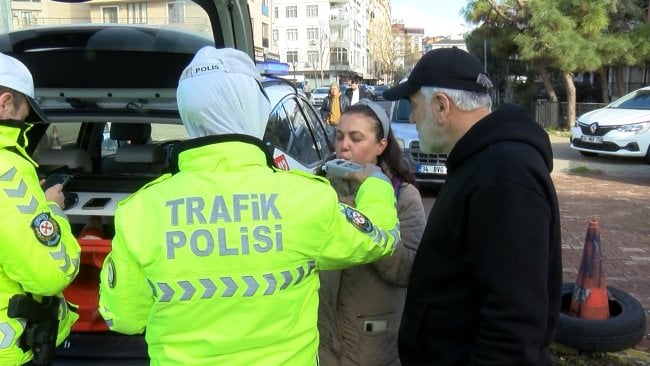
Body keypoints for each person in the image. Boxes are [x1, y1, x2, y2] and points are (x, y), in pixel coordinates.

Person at [98, 46, 400, 365]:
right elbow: (381, 238)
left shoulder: (141, 211)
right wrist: (376, 183)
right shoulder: (305, 198)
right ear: (254, 109)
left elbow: (124, 318)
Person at [382, 47, 562, 365]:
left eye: (413, 107)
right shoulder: (479, 161)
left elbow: (513, 321)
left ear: (441, 105)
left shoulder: (503, 173)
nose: (411, 118)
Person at [318, 99, 426, 366]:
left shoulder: (402, 195)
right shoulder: (319, 190)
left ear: (381, 146)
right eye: (339, 136)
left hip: (373, 344)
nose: (344, 146)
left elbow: (408, 270)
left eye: (356, 138)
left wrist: (362, 219)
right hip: (322, 342)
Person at [0, 52, 80, 365]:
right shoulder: (7, 170)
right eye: (24, 116)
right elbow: (51, 273)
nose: (24, 126)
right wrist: (51, 209)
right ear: (4, 102)